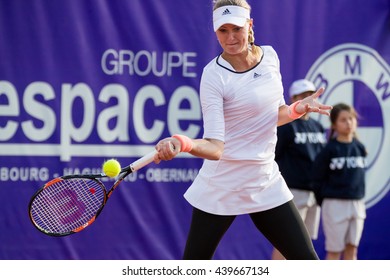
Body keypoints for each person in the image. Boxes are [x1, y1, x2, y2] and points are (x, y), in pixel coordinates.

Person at [153, 0, 332, 260]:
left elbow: (273, 115)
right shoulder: (213, 76)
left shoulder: (270, 57)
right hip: (222, 182)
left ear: (249, 25)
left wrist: (297, 109)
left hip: (263, 179)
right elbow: (215, 147)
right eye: (222, 30)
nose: (230, 37)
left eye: (236, 28)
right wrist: (182, 143)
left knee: (307, 261)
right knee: (193, 266)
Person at [271, 79, 327, 260]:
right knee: (286, 241)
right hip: (292, 191)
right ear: (293, 98)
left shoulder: (318, 127)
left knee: (305, 243)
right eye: (302, 96)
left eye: (309, 94)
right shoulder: (287, 126)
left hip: (313, 193)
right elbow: (273, 156)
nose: (307, 99)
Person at [312, 103, 367, 260]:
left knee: (352, 249)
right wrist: (326, 201)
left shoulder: (360, 147)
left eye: (351, 119)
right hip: (334, 204)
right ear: (334, 125)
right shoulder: (328, 150)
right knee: (334, 251)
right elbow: (317, 179)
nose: (349, 123)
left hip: (357, 204)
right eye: (343, 120)